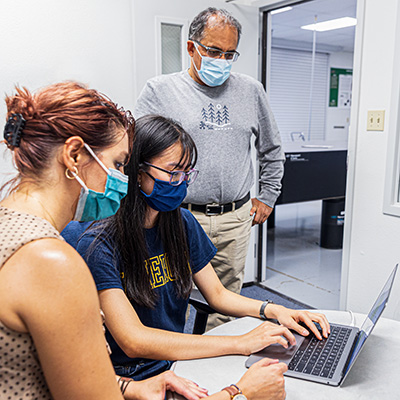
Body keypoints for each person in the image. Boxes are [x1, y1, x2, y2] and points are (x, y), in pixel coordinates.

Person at [62, 115, 329, 393]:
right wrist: (241, 343)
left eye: (187, 173)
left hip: (175, 358)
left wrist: (274, 310)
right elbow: (134, 340)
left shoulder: (181, 222)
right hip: (132, 377)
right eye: (173, 172)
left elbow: (217, 295)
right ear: (137, 172)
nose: (181, 182)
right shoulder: (99, 241)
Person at [0, 82, 210, 400]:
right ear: (73, 155)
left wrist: (130, 386)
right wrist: (241, 394)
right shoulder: (51, 262)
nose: (122, 181)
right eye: (117, 164)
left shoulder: (12, 225)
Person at [134, 7, 285, 330]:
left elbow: (272, 150)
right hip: (174, 215)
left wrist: (268, 196)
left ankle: (218, 366)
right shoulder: (160, 90)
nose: (222, 60)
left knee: (226, 303)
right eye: (214, 51)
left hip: (234, 217)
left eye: (230, 54)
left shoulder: (251, 91)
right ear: (192, 48)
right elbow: (139, 153)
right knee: (165, 298)